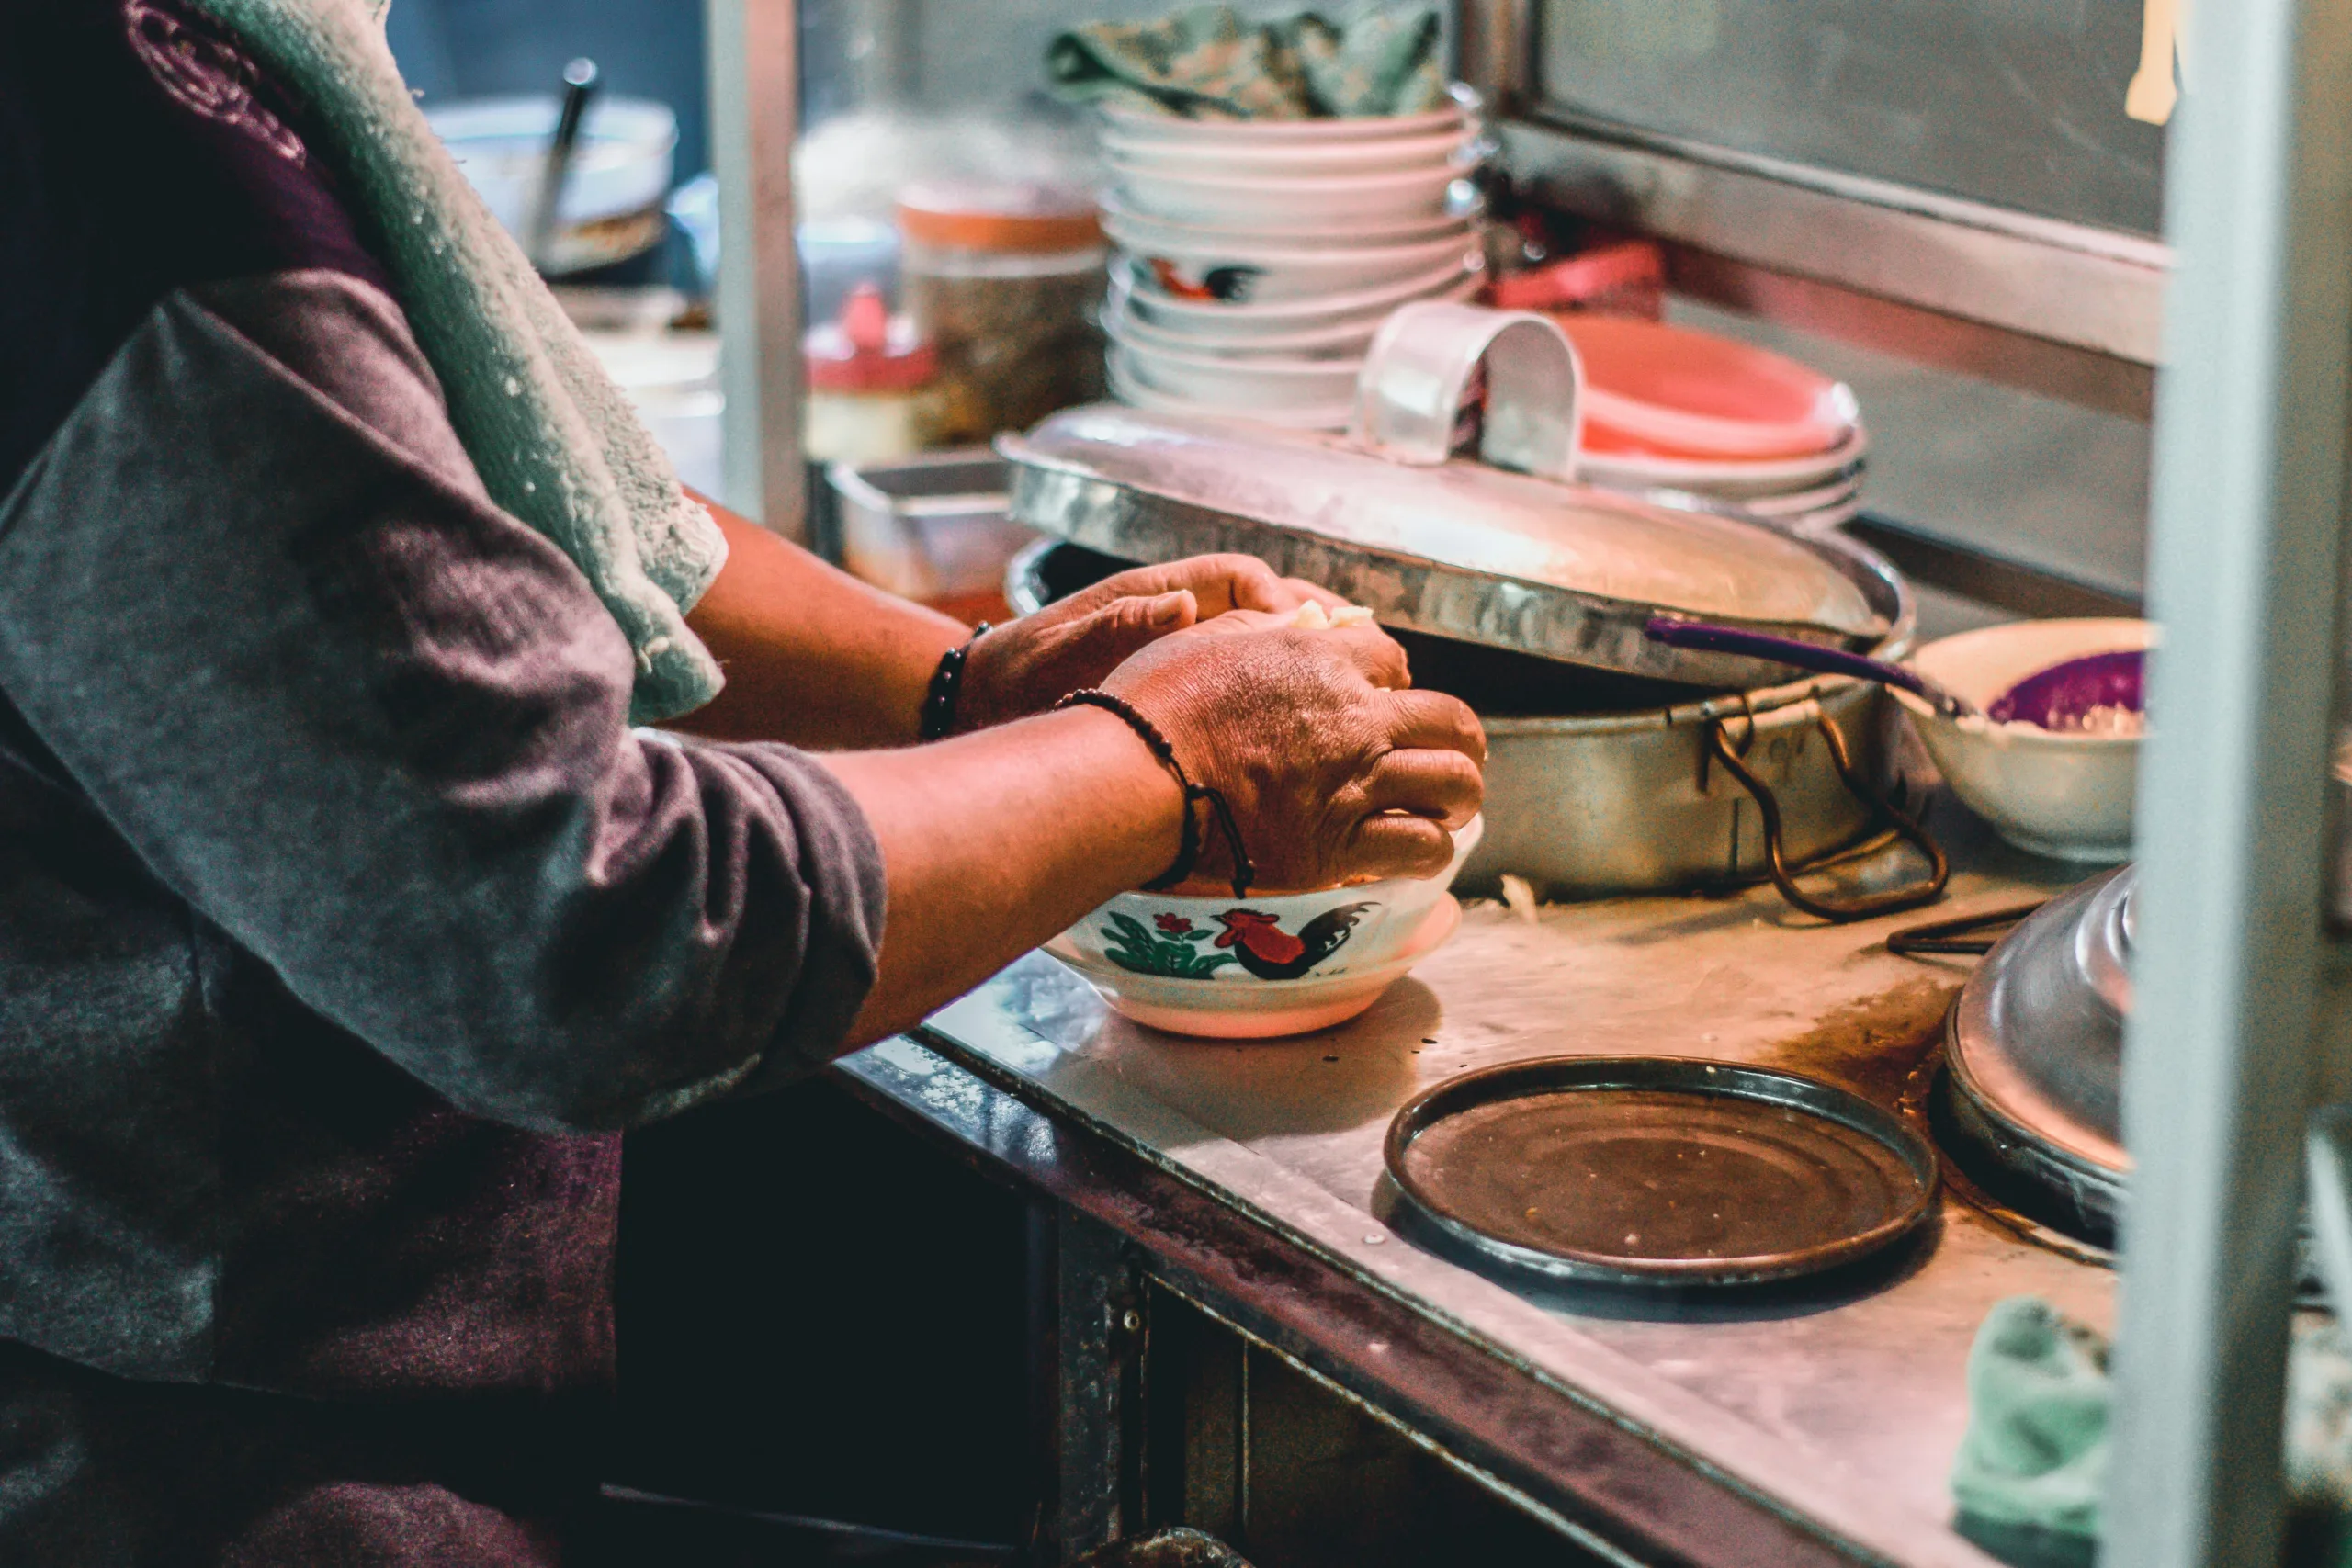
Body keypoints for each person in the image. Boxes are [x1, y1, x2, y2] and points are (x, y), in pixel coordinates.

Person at [0, 0, 1487, 1560]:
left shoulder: (189, 67)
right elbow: (571, 925)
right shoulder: (113, 169)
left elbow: (501, 508)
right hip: (185, 1470)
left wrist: (962, 687)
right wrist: (1162, 760)